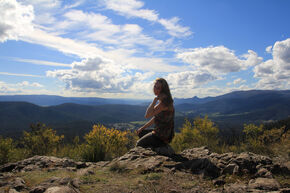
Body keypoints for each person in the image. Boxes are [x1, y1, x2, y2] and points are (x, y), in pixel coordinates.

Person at [136, 78, 175, 148]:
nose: (155, 89)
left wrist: (154, 101)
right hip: (161, 132)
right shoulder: (165, 100)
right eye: (155, 86)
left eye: (158, 88)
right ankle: (155, 147)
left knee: (139, 144)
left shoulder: (164, 102)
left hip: (162, 135)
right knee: (141, 132)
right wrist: (142, 127)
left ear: (163, 89)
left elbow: (147, 115)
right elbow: (155, 118)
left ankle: (158, 148)